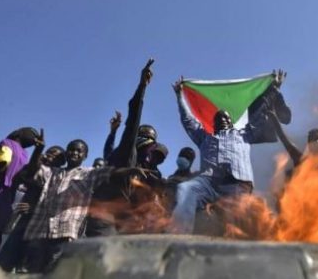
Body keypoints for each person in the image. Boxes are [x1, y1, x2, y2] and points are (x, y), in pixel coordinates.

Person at [169, 77, 275, 234]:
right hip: (209, 182)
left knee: (233, 220)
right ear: (213, 124)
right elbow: (188, 120)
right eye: (218, 118)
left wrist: (273, 89)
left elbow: (259, 115)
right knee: (186, 189)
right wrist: (179, 96)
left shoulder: (244, 135)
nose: (222, 119)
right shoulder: (204, 137)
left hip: (236, 184)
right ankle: (178, 235)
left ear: (231, 122)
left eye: (226, 117)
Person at [20, 138, 143, 273]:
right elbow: (33, 170)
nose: (74, 153)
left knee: (54, 271)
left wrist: (131, 170)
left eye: (79, 151)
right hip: (40, 230)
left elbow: (111, 172)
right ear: (66, 152)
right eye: (71, 149)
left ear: (85, 156)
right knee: (33, 271)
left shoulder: (88, 174)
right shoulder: (51, 172)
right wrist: (38, 150)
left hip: (65, 233)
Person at [86, 58, 155, 237]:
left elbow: (108, 153)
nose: (147, 142)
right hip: (104, 215)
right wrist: (142, 87)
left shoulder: (138, 165)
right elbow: (134, 116)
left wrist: (112, 133)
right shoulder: (127, 150)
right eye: (145, 136)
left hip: (117, 217)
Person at [0, 145, 66, 273]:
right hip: (19, 221)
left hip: (38, 227)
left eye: (55, 155)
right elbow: (25, 176)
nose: (49, 156)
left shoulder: (58, 177)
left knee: (25, 267)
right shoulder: (33, 169)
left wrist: (35, 208)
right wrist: (37, 159)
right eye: (49, 152)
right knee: (5, 260)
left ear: (61, 162)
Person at [0, 127, 39, 247]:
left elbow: (5, 161)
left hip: (5, 191)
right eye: (33, 134)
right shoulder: (14, 147)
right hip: (5, 191)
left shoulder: (15, 148)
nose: (34, 138)